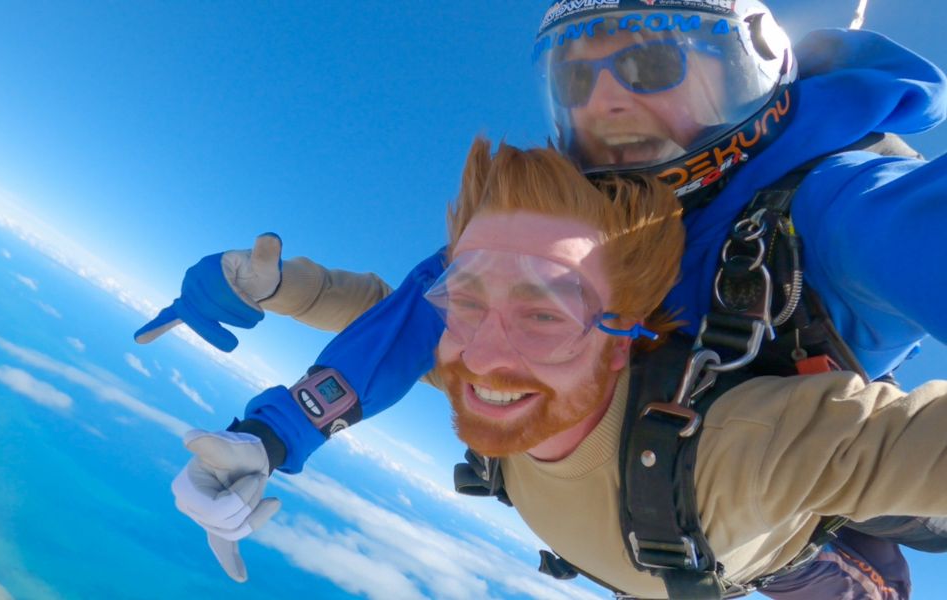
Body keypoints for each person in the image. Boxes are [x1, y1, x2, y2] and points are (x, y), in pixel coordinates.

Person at [144, 0, 947, 580]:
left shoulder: (842, 208)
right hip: (653, 519)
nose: (605, 99)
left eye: (650, 62)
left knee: (852, 510)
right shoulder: (553, 231)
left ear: (747, 66)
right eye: (574, 78)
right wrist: (272, 430)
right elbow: (420, 310)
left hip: (764, 521)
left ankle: (860, 550)